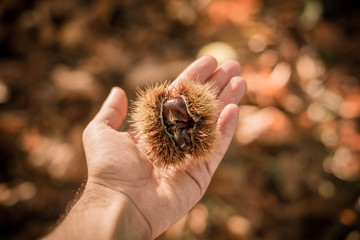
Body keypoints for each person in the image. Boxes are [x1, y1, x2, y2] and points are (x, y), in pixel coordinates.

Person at [43, 56, 247, 240]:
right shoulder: (168, 142)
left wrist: (110, 195)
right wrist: (113, 191)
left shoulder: (187, 133)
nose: (178, 124)